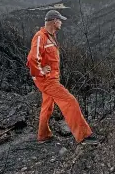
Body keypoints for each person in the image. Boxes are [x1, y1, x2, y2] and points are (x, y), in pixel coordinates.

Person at [26, 10, 99, 145]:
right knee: (70, 101)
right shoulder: (40, 36)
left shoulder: (50, 36)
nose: (61, 23)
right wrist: (41, 71)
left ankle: (43, 135)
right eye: (60, 20)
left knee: (47, 106)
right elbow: (32, 58)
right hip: (47, 80)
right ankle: (84, 136)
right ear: (54, 21)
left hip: (50, 79)